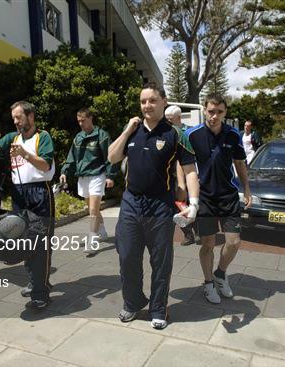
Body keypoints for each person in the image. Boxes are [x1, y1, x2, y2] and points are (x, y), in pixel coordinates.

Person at [108, 82, 200, 329]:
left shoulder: (174, 134)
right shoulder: (133, 132)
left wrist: (194, 203)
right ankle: (133, 302)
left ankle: (159, 308)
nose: (147, 105)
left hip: (160, 205)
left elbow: (190, 170)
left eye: (152, 100)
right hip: (130, 203)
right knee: (127, 256)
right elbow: (112, 157)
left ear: (164, 101)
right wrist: (127, 130)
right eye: (143, 101)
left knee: (161, 261)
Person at [0, 101, 55, 310]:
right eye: (14, 118)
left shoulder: (43, 137)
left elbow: (45, 164)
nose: (15, 121)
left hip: (39, 192)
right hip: (19, 194)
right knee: (23, 240)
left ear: (31, 116)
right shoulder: (11, 137)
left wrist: (24, 153)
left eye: (19, 117)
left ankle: (41, 293)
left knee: (41, 244)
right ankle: (35, 282)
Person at [182, 94, 252, 304]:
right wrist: (183, 190)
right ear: (205, 110)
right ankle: (208, 282)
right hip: (205, 198)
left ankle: (220, 273)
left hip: (228, 196)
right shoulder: (191, 134)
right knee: (208, 243)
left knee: (234, 241)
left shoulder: (233, 135)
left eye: (219, 112)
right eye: (211, 111)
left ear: (225, 113)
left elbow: (240, 164)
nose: (214, 116)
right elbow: (183, 164)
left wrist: (247, 189)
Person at [59, 108, 115, 253]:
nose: (81, 123)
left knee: (92, 209)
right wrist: (64, 172)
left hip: (97, 175)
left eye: (83, 120)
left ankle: (92, 240)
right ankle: (101, 232)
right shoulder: (78, 137)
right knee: (92, 207)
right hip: (82, 176)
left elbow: (110, 157)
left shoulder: (102, 135)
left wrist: (110, 176)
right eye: (79, 121)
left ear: (91, 118)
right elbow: (71, 157)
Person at [165, 105, 199, 246]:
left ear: (179, 118)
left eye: (170, 119)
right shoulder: (166, 132)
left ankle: (198, 232)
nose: (168, 122)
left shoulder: (190, 132)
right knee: (178, 205)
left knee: (193, 204)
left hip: (189, 174)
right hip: (172, 176)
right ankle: (188, 233)